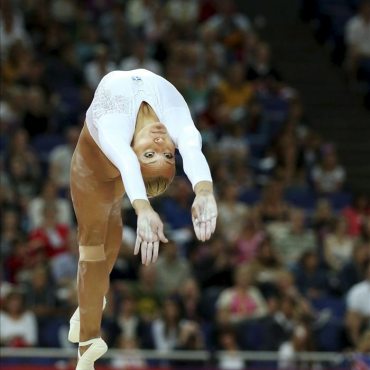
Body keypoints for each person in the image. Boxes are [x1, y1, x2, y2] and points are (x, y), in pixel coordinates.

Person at [68, 69, 218, 369]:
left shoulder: (116, 126)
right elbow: (191, 149)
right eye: (167, 155)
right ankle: (89, 328)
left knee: (94, 249)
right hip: (104, 172)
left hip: (97, 172)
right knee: (100, 248)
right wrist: (203, 191)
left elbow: (126, 161)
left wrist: (145, 208)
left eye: (150, 154)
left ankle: (86, 348)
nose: (162, 146)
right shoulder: (173, 119)